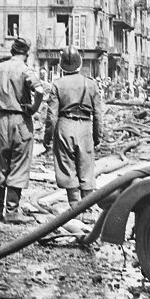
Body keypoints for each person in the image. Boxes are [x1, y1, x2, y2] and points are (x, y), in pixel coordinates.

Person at [0, 36, 43, 224]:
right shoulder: (25, 70)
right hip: (21, 120)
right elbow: (40, 91)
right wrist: (34, 108)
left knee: (2, 163)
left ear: (12, 51)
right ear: (26, 54)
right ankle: (12, 211)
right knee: (19, 164)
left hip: (2, 120)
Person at [43, 46, 102, 217]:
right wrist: (97, 137)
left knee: (67, 167)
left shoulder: (57, 85)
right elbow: (98, 114)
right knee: (86, 168)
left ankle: (75, 208)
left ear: (61, 65)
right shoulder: (91, 84)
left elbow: (51, 116)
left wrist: (47, 138)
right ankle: (88, 210)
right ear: (80, 63)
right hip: (85, 127)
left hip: (64, 125)